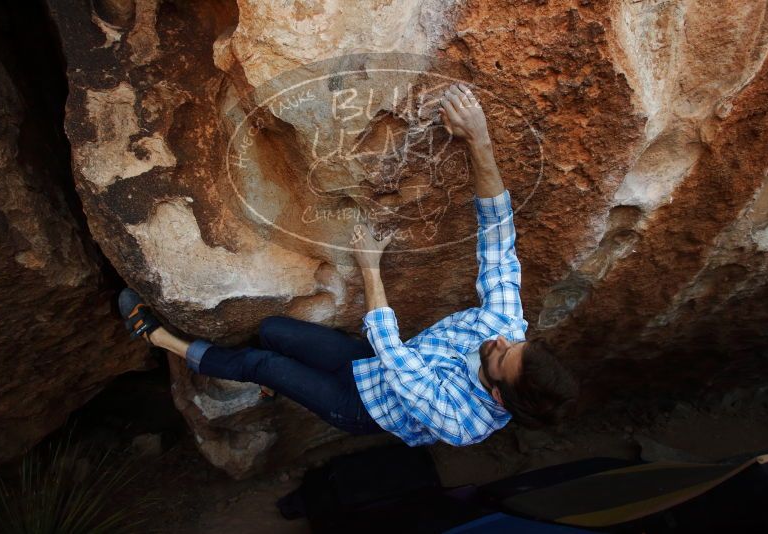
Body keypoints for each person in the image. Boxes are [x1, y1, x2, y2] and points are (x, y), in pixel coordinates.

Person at [119, 82, 579, 446]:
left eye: (501, 354)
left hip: (360, 406)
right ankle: (276, 376)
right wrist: (479, 140)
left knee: (260, 362)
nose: (500, 339)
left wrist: (370, 269)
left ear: (497, 394)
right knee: (276, 331)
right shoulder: (508, 329)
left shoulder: (462, 423)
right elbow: (498, 238)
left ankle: (164, 339)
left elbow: (395, 356)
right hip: (366, 363)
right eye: (515, 342)